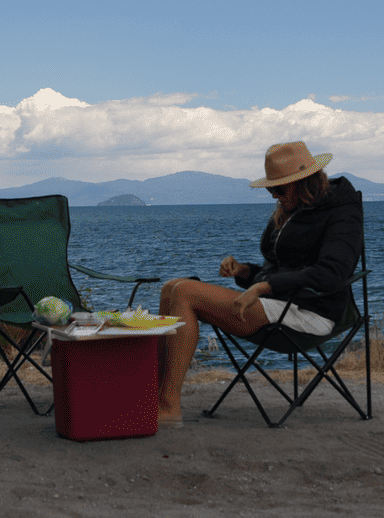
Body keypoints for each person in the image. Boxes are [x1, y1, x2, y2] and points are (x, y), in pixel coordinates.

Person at [156, 141, 364, 427]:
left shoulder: (341, 210)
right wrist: (243, 272)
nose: (274, 196)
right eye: (271, 189)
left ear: (303, 183)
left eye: (279, 189)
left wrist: (263, 288)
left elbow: (332, 273)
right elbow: (273, 273)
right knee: (170, 287)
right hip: (277, 305)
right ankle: (154, 397)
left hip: (311, 311)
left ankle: (168, 407)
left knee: (184, 292)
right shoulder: (289, 210)